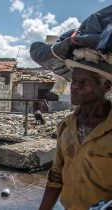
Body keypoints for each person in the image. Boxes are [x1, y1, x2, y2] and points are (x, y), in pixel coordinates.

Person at [39, 57, 112, 210]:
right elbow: (56, 176)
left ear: (106, 86)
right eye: (74, 81)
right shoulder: (65, 126)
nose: (74, 87)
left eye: (84, 82)